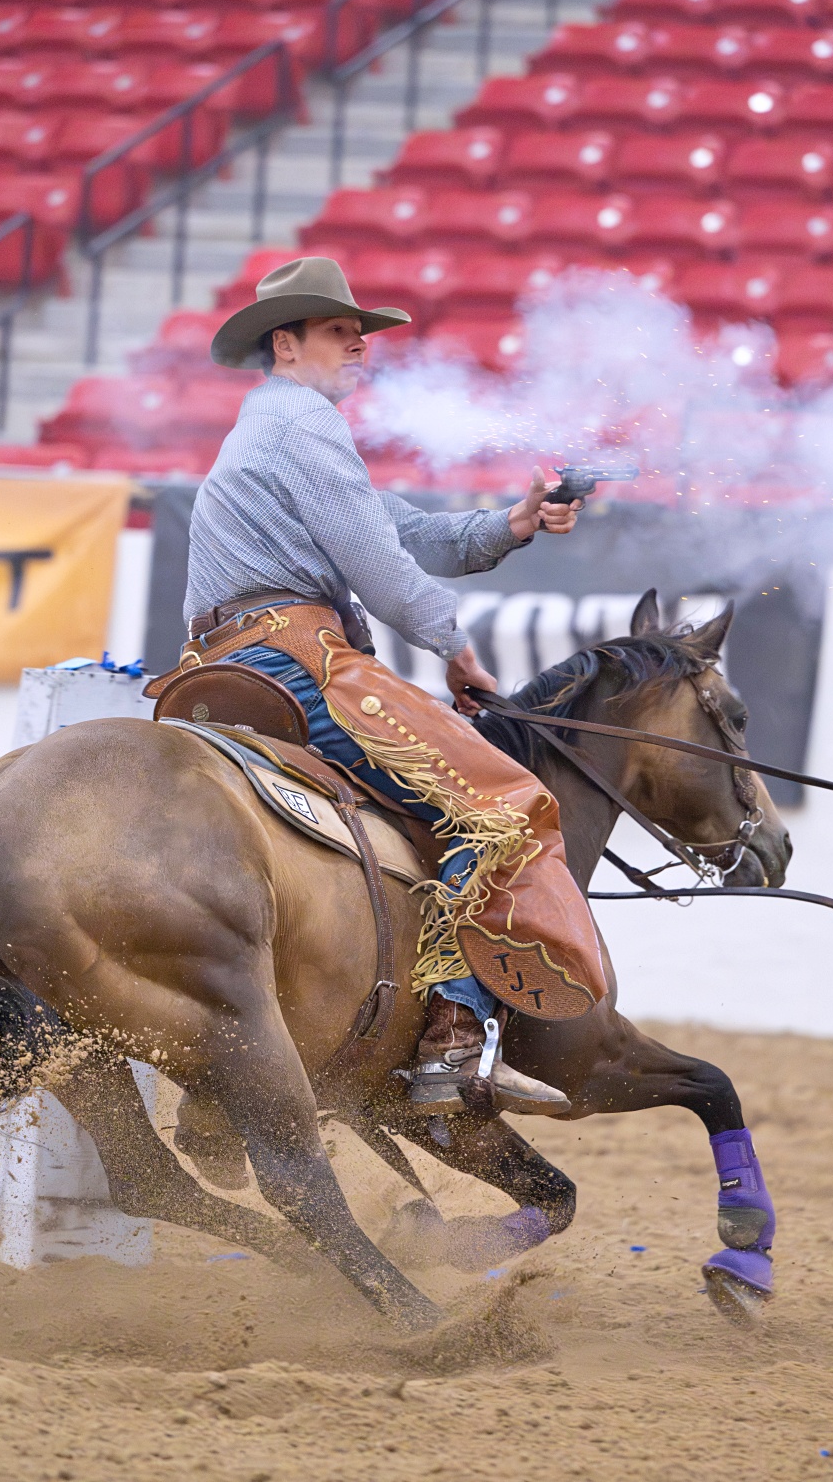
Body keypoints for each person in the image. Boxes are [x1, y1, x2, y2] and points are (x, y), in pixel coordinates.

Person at [184, 257, 608, 1116]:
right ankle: (453, 1040)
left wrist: (511, 525)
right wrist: (453, 645)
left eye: (358, 333)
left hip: (230, 661)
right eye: (341, 330)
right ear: (286, 340)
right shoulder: (303, 421)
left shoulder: (277, 423)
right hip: (294, 658)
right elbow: (380, 564)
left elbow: (398, 531)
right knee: (504, 805)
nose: (359, 345)